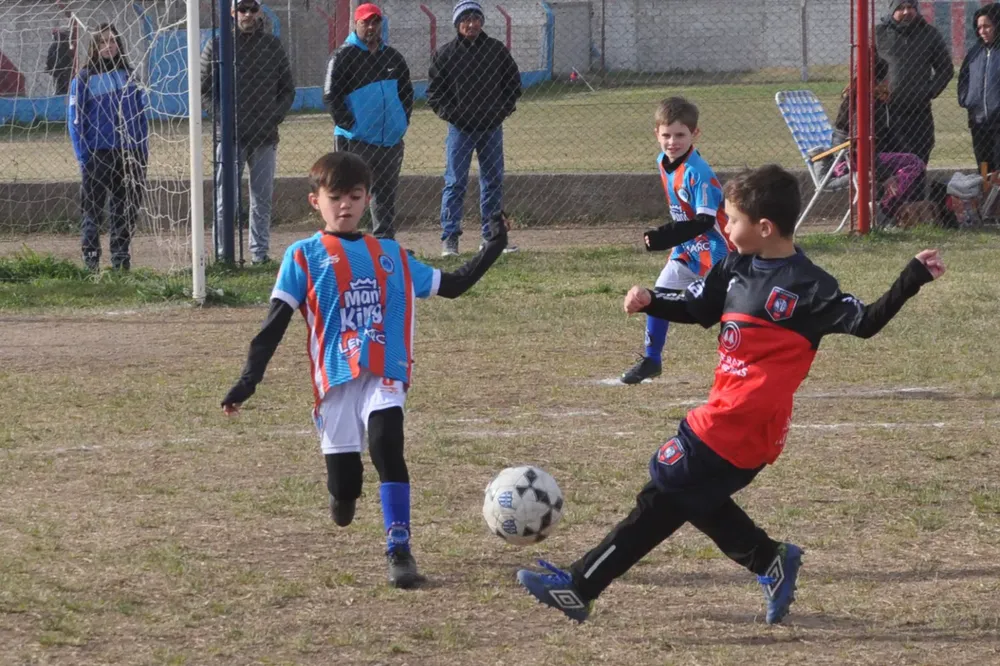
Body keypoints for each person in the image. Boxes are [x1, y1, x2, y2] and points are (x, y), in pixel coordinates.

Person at [516, 164, 945, 624]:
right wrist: (652, 301)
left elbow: (866, 322)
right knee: (685, 496)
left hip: (743, 425)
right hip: (723, 415)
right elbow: (699, 307)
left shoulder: (809, 286)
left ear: (764, 227)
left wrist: (912, 276)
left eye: (732, 219)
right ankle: (767, 559)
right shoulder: (735, 265)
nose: (724, 225)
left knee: (665, 489)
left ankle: (581, 586)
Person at [220, 152, 509, 588]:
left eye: (355, 197)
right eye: (334, 197)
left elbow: (453, 285)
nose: (345, 206)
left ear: (367, 199)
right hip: (336, 380)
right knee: (346, 487)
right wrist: (248, 380)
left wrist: (493, 248)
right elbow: (274, 324)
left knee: (387, 443)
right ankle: (342, 493)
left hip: (384, 370)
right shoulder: (303, 257)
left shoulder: (390, 254)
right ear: (314, 200)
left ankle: (399, 547)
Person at [620, 97, 730, 385]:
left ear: (695, 134)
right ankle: (651, 360)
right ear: (656, 133)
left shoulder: (699, 173)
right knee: (658, 296)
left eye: (680, 135)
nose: (672, 142)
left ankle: (740, 363)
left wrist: (663, 236)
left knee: (731, 308)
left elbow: (705, 221)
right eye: (666, 135)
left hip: (718, 251)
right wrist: (672, 239)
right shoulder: (662, 161)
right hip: (687, 249)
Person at [201, 0, 295, 264]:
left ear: (260, 12)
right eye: (242, 9)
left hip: (265, 136)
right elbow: (204, 89)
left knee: (261, 199)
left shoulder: (272, 46)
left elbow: (287, 89)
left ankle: (259, 253)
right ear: (232, 13)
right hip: (230, 137)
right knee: (225, 199)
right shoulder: (218, 46)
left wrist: (274, 116)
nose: (248, 14)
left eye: (253, 9)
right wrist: (224, 117)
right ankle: (223, 254)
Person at [428, 1, 521, 256]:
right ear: (457, 24)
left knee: (492, 181)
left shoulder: (496, 50)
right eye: (465, 19)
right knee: (455, 182)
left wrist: (502, 110)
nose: (471, 24)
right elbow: (435, 94)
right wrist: (454, 116)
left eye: (475, 18)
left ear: (482, 21)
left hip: (491, 128)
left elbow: (513, 83)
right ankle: (450, 239)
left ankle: (491, 237)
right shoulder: (445, 55)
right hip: (460, 130)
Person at [323, 2, 413, 240]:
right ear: (356, 24)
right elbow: (331, 95)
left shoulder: (393, 57)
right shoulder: (342, 56)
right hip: (357, 141)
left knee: (385, 194)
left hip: (390, 141)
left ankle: (384, 243)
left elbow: (406, 93)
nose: (371, 27)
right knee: (348, 193)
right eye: (366, 22)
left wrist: (400, 123)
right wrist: (352, 126)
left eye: (376, 22)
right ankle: (342, 240)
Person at [68, 23, 148, 272]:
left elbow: (141, 117)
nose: (108, 46)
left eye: (112, 41)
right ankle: (91, 261)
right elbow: (75, 121)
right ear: (94, 46)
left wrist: (142, 150)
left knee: (124, 208)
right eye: (102, 42)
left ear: (119, 45)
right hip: (97, 154)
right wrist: (83, 155)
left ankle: (121, 259)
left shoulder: (129, 76)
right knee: (93, 209)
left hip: (130, 154)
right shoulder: (84, 78)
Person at [832, 57, 926, 226]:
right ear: (879, 80)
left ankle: (894, 214)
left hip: (869, 157)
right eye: (886, 77)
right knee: (914, 164)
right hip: (849, 161)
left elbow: (890, 136)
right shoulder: (863, 102)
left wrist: (904, 155)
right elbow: (858, 147)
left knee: (912, 162)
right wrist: (885, 175)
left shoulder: (876, 100)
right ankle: (884, 213)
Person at [875, 0, 953, 165]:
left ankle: (917, 191)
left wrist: (929, 91)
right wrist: (877, 92)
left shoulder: (929, 34)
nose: (905, 12)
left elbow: (945, 69)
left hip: (919, 116)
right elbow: (866, 70)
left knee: (917, 164)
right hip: (887, 115)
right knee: (888, 167)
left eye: (910, 7)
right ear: (892, 9)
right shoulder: (878, 34)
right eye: (900, 7)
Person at [958, 3, 1000, 173]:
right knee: (984, 167)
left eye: (987, 26)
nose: (982, 31)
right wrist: (967, 100)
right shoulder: (974, 53)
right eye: (979, 27)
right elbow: (963, 79)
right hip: (979, 122)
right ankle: (986, 197)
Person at [45, 29, 73, 95]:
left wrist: (50, 68)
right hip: (63, 73)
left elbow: (49, 60)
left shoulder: (56, 46)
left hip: (61, 73)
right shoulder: (65, 45)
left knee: (61, 89)